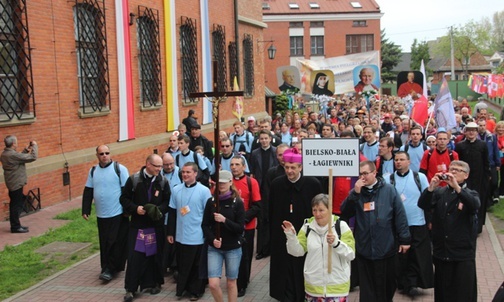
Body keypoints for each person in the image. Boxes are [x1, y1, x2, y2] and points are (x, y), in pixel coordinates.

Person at [341, 160, 411, 302]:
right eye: (360, 174)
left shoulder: (389, 190)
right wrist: (355, 194)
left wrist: (405, 239)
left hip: (385, 246)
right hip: (364, 247)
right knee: (367, 290)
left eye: (365, 173)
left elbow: (400, 215)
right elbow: (345, 212)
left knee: (387, 286)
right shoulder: (356, 192)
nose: (362, 177)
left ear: (374, 173)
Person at [418, 160, 480, 302]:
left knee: (463, 294)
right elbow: (423, 204)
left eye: (458, 170)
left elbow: (474, 205)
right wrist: (431, 188)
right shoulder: (440, 192)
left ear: (466, 175)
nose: (453, 172)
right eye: (451, 169)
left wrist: (458, 188)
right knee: (443, 293)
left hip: (462, 255)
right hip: (442, 253)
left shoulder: (471, 193)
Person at [269, 148, 323, 302]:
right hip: (281, 237)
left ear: (301, 167)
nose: (289, 171)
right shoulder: (276, 184)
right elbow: (271, 211)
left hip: (306, 236)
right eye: (286, 167)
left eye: (293, 167)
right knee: (284, 270)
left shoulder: (313, 184)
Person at [282, 194, 355, 301]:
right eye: (314, 210)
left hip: (337, 287)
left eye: (321, 210)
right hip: (314, 288)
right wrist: (291, 236)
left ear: (329, 209)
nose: (317, 214)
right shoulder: (307, 227)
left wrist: (336, 243)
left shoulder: (341, 226)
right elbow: (297, 252)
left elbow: (351, 254)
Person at [120, 154, 171, 302]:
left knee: (155, 256)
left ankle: (155, 283)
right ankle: (131, 288)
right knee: (135, 257)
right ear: (148, 164)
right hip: (138, 225)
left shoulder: (163, 181)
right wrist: (135, 208)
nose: (160, 169)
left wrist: (158, 210)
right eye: (157, 166)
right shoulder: (134, 180)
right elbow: (123, 198)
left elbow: (168, 201)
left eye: (161, 166)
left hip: (156, 226)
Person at [384, 151, 433, 297]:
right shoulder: (388, 179)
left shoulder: (420, 178)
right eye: (396, 160)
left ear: (409, 161)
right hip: (397, 224)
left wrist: (430, 220)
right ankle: (402, 282)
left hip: (417, 222)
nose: (398, 162)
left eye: (402, 159)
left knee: (416, 254)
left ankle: (413, 283)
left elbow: (428, 198)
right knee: (400, 255)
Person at [82, 145, 130, 281]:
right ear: (97, 155)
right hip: (101, 214)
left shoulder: (119, 169)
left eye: (107, 153)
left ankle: (111, 269)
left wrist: (127, 211)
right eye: (101, 153)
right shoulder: (93, 171)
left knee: (114, 241)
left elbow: (127, 191)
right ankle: (106, 266)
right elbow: (88, 191)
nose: (104, 155)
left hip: (117, 213)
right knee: (104, 242)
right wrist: (86, 210)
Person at [167, 162, 212, 301]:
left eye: (188, 172)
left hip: (197, 234)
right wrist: (170, 232)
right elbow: (172, 212)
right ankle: (183, 289)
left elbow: (208, 214)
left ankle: (196, 291)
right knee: (183, 264)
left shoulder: (204, 191)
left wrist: (207, 233)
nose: (185, 175)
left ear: (195, 174)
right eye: (183, 172)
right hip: (181, 234)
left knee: (196, 264)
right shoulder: (176, 190)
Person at [202, 170, 245, 302]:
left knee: (231, 282)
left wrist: (224, 220)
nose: (221, 185)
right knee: (213, 284)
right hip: (215, 248)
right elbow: (205, 225)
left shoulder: (237, 203)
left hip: (233, 248)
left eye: (224, 183)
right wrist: (212, 239)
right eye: (219, 183)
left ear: (230, 182)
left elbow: (239, 228)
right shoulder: (211, 202)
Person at [230, 156, 261, 297]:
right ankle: (234, 279)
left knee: (245, 256)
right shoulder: (227, 182)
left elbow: (257, 206)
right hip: (230, 226)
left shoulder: (251, 182)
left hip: (246, 227)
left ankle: (242, 284)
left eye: (237, 164)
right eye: (232, 164)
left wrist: (243, 219)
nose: (234, 167)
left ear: (243, 166)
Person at [455, 122, 490, 233]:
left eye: (474, 130)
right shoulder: (460, 146)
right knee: (463, 201)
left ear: (477, 132)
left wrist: (486, 178)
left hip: (479, 179)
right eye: (469, 130)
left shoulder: (482, 145)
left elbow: (486, 163)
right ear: (465, 132)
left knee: (479, 202)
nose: (471, 132)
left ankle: (477, 227)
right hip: (465, 180)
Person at [249, 130, 278, 260]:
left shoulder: (276, 152)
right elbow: (253, 172)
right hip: (260, 189)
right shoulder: (255, 154)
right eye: (262, 139)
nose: (264, 141)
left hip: (273, 187)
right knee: (261, 219)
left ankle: (272, 246)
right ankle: (261, 248)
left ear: (270, 139)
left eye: (266, 138)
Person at [1, 135, 37, 233]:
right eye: (16, 142)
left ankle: (17, 225)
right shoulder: (12, 155)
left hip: (12, 182)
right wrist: (34, 146)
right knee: (16, 205)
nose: (17, 143)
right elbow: (33, 157)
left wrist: (25, 150)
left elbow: (18, 159)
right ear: (13, 144)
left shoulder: (5, 153)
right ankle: (15, 227)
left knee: (18, 201)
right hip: (16, 183)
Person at [477, 119, 501, 206]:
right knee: (485, 182)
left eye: (483, 125)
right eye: (480, 125)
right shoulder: (476, 137)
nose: (482, 127)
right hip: (481, 163)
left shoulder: (491, 136)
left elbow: (495, 150)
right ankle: (487, 200)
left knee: (494, 182)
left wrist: (497, 163)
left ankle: (493, 195)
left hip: (491, 163)